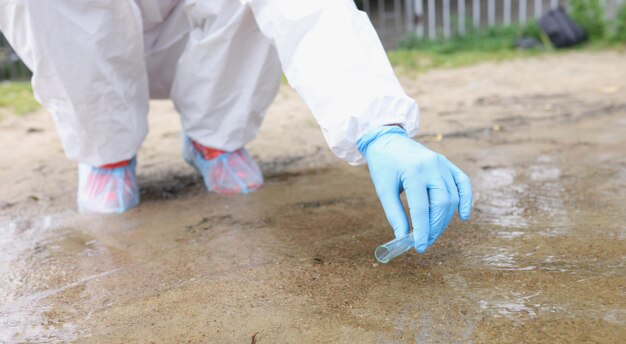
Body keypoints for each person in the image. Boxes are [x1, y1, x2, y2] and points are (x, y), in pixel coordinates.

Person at [0, 0, 472, 253]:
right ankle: (107, 149)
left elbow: (307, 8)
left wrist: (377, 125)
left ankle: (215, 139)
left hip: (200, 38)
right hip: (87, 42)